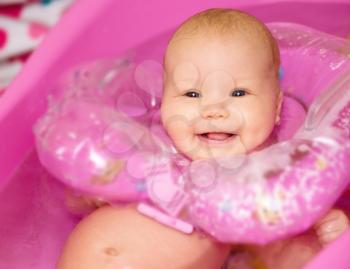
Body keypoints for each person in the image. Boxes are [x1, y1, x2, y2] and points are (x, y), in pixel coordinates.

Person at [57, 8, 349, 269]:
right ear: (166, 100)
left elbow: (283, 241)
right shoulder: (151, 146)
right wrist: (91, 193)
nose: (213, 110)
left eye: (238, 93)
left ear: (276, 109)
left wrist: (324, 230)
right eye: (191, 94)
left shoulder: (268, 177)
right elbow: (77, 198)